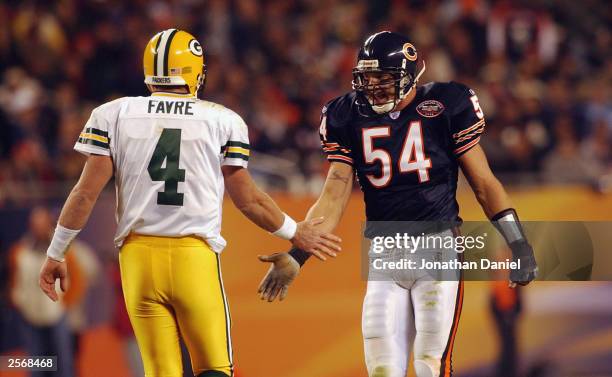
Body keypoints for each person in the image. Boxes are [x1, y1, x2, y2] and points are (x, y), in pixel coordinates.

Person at [38, 29, 341, 377]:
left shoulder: (114, 113)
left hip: (137, 260)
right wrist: (294, 232)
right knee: (214, 368)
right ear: (195, 71)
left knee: (161, 372)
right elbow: (248, 198)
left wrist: (56, 252)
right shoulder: (221, 119)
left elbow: (84, 193)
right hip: (192, 257)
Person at [257, 31, 538, 377]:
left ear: (409, 76)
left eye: (383, 78)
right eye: (368, 77)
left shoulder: (445, 104)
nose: (373, 87)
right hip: (384, 253)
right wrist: (297, 253)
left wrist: (518, 242)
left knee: (428, 366)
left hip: (438, 247)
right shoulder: (346, 114)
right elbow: (334, 194)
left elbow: (483, 183)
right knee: (382, 369)